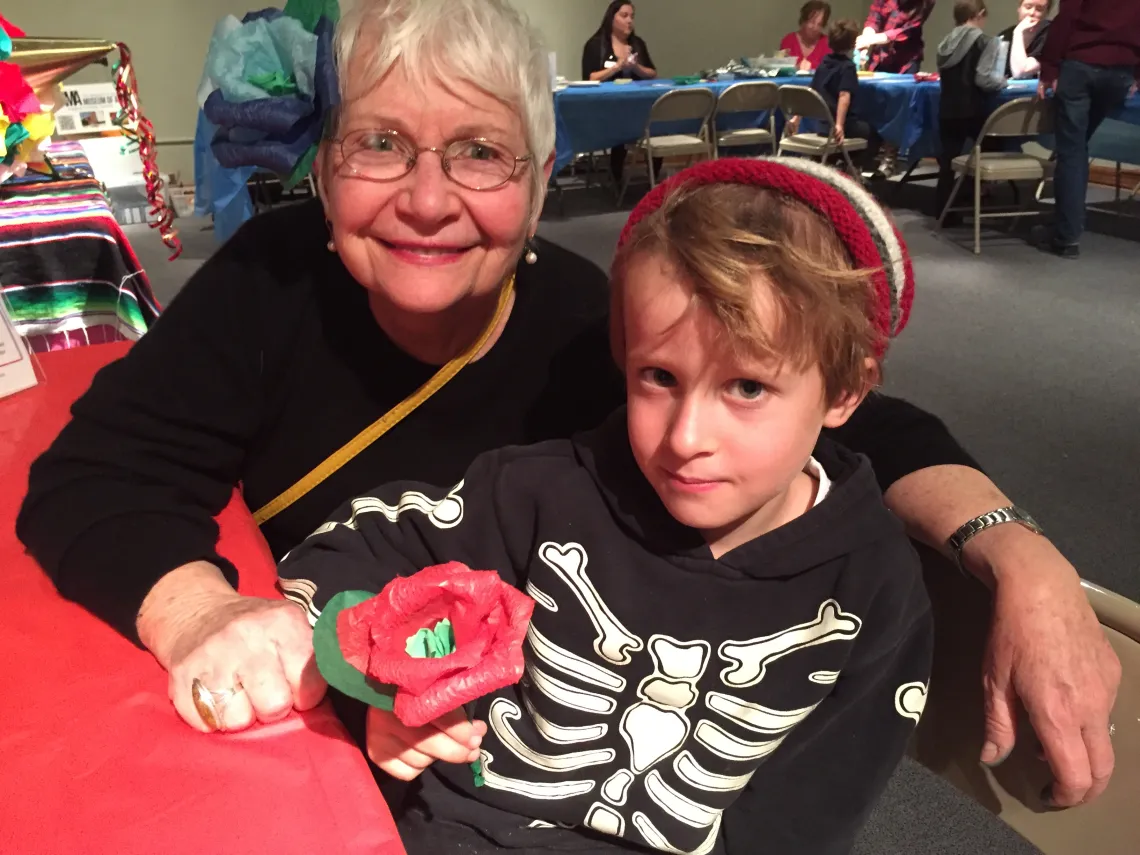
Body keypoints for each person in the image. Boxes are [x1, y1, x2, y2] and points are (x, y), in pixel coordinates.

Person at [16, 0, 1120, 816]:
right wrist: (201, 615)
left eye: (482, 153)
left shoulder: (591, 328)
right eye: (380, 143)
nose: (428, 197)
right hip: (318, 728)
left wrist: (1015, 552)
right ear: (326, 163)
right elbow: (95, 477)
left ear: (543, 181)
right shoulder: (272, 275)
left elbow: (817, 404)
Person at [277, 156, 934, 854]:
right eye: (659, 376)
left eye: (746, 387)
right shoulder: (533, 494)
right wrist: (384, 679)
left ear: (843, 393)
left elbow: (807, 821)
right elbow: (347, 556)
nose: (686, 438)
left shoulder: (874, 588)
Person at [1033, 0, 1140, 257]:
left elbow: (1067, 18)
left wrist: (1049, 68)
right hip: (1120, 71)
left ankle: (1067, 236)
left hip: (1080, 66)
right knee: (1076, 149)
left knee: (1072, 151)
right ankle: (1066, 223)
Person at [935, 0, 1009, 224]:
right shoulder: (986, 42)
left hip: (947, 109)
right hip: (973, 110)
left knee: (948, 160)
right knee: (995, 144)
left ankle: (942, 210)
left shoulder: (945, 43)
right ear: (981, 14)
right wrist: (1003, 82)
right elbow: (983, 78)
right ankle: (966, 193)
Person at [581, 1, 658, 184]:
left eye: (632, 17)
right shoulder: (596, 45)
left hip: (636, 108)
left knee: (655, 127)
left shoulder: (638, 44)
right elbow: (590, 78)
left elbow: (652, 73)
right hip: (606, 109)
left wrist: (636, 67)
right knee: (619, 129)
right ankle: (616, 179)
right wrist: (618, 66)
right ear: (611, 18)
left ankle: (653, 180)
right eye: (624, 16)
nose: (629, 21)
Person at [809, 19, 884, 169]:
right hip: (839, 126)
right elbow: (844, 96)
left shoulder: (824, 63)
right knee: (875, 135)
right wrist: (839, 125)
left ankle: (834, 160)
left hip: (822, 125)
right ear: (852, 43)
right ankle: (852, 168)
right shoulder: (848, 67)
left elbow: (811, 91)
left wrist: (796, 118)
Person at [856, 0, 938, 74]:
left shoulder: (926, 2)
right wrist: (866, 38)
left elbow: (906, 30)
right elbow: (874, 18)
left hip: (906, 61)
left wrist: (871, 39)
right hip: (880, 58)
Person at [998, 0, 1054, 78]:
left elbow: (1021, 72)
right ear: (1019, 8)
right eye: (1028, 7)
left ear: (1046, 13)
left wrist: (1018, 32)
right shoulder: (1005, 36)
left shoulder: (1052, 35)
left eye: (1039, 9)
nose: (1032, 13)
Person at [780, 1, 833, 72]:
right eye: (812, 22)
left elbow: (832, 70)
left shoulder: (828, 43)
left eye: (819, 24)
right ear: (803, 21)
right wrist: (795, 68)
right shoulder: (788, 41)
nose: (815, 27)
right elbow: (781, 69)